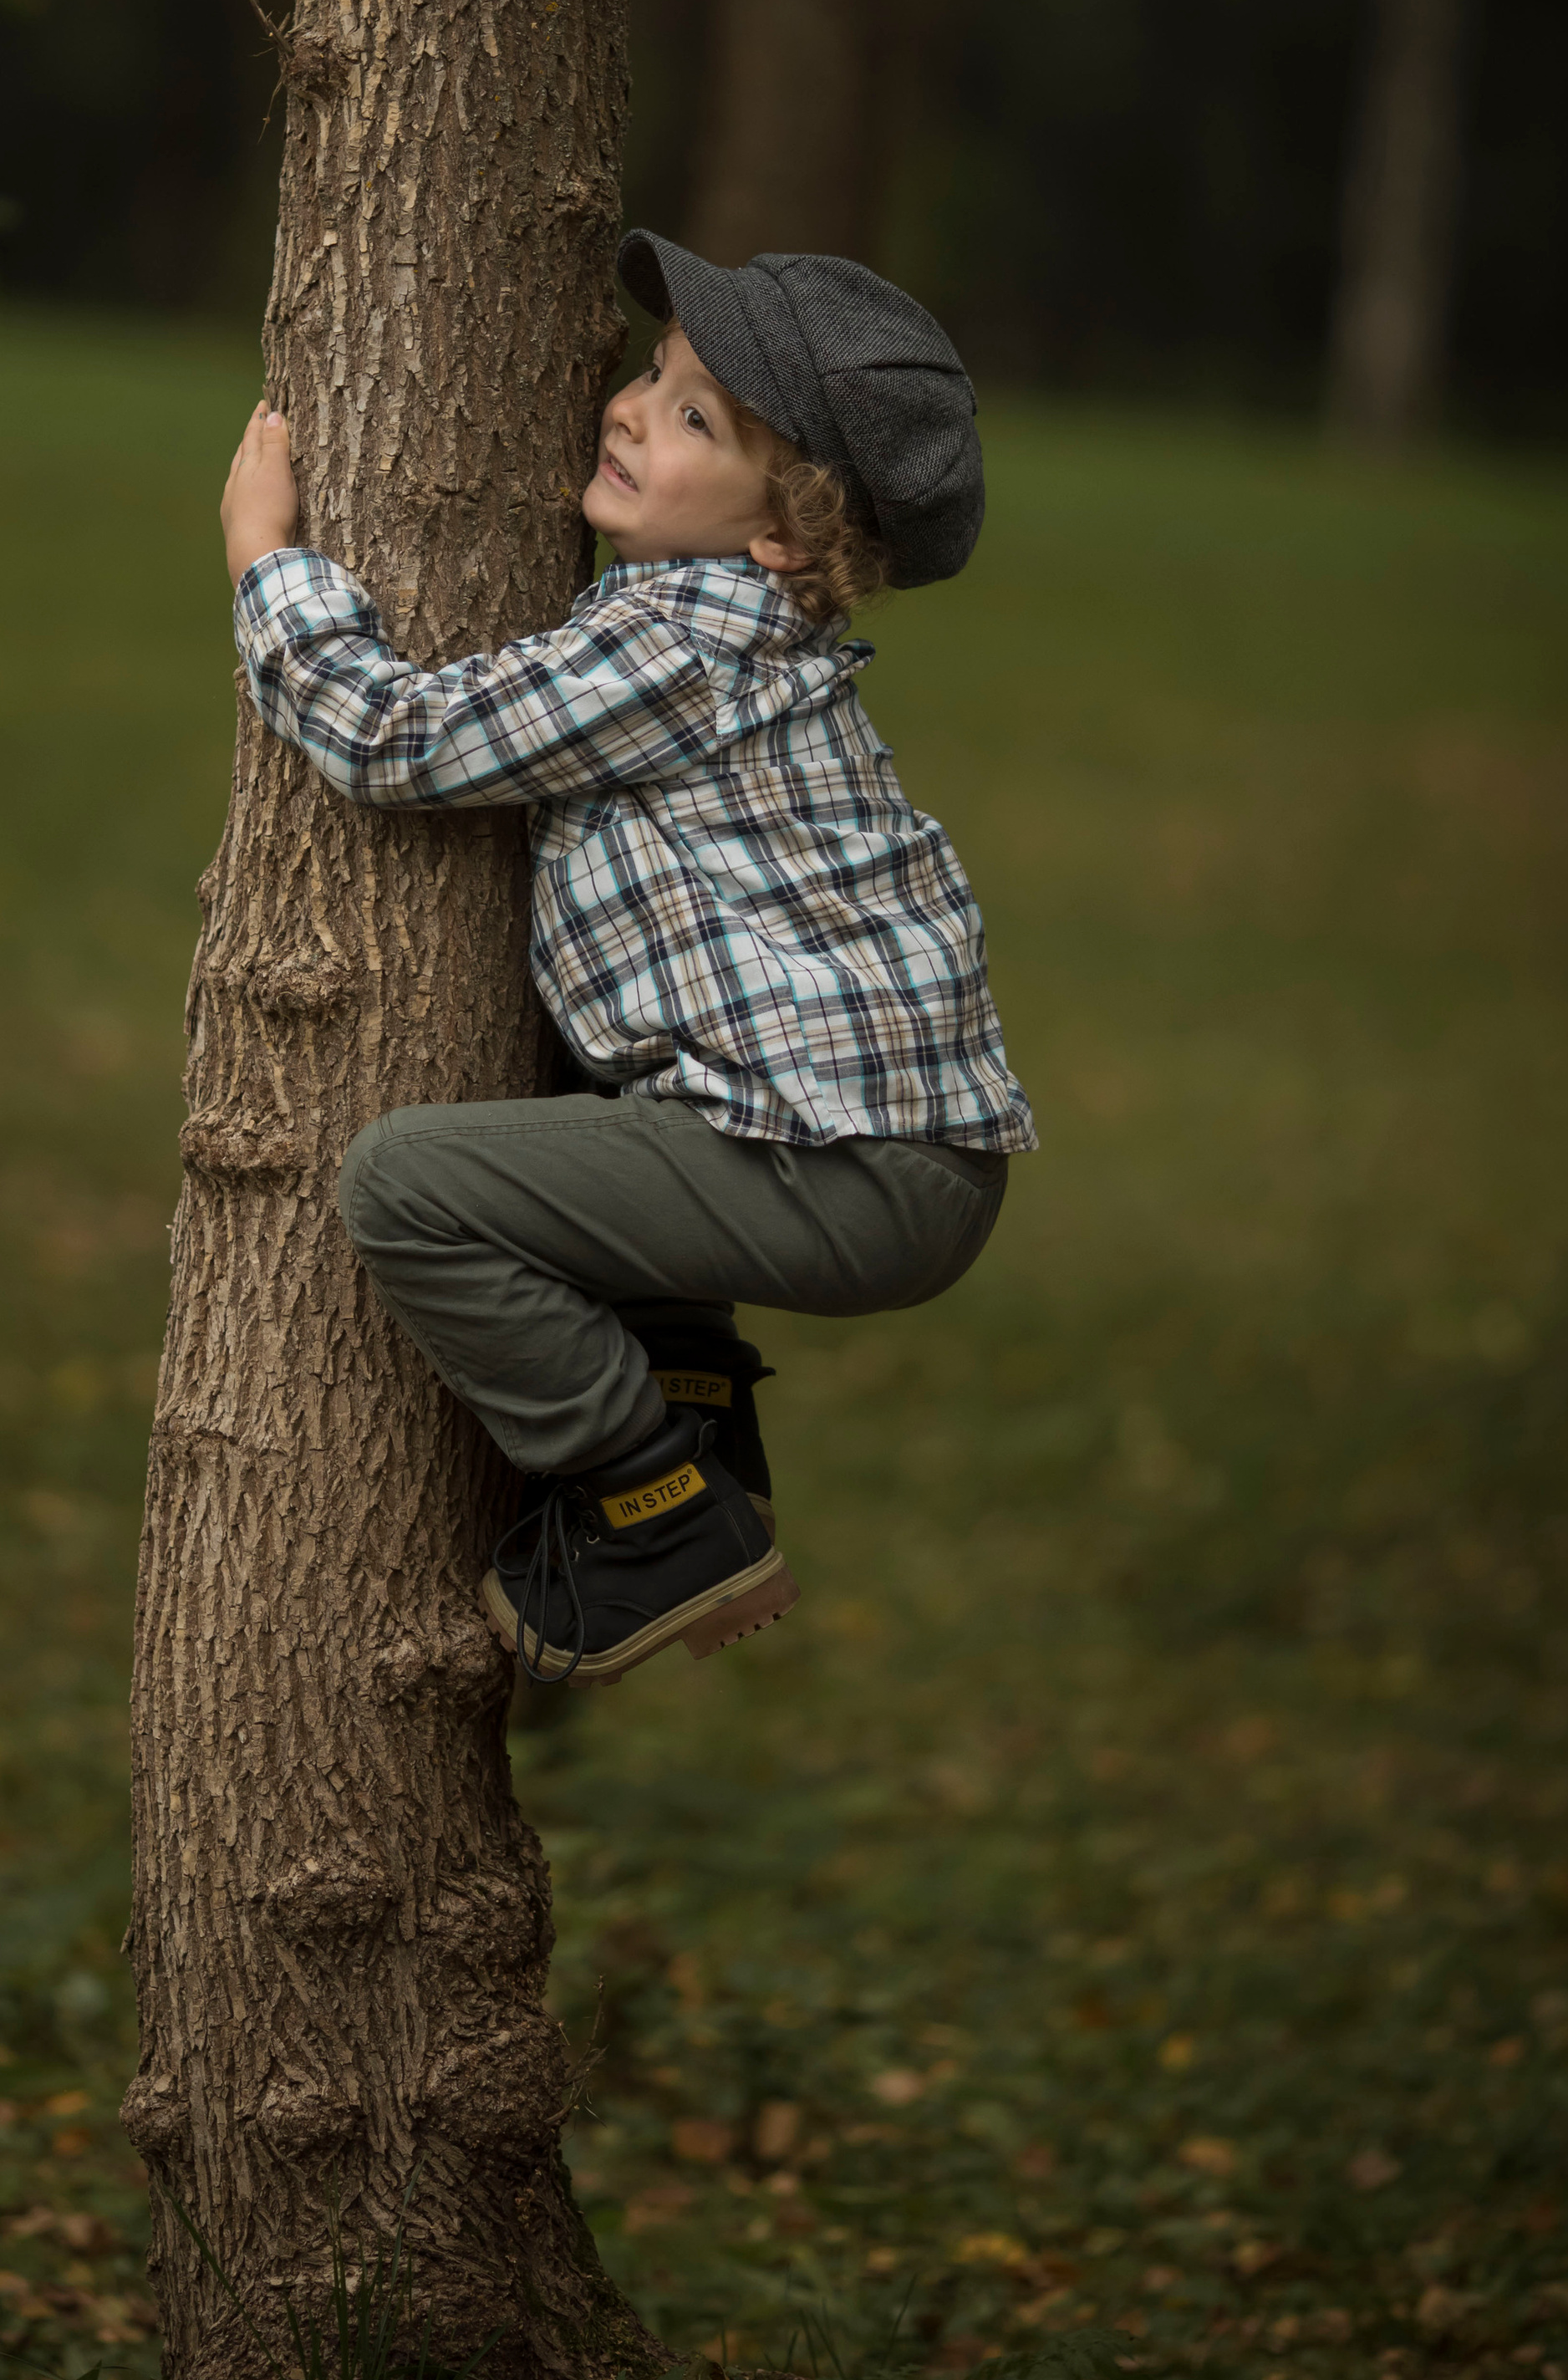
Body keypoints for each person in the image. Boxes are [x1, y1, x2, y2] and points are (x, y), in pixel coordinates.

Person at [218, 228, 1036, 1686]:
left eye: (694, 418)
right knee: (603, 1126)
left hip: (850, 1168)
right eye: (655, 373)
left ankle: (652, 1505)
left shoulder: (677, 644)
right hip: (878, 1156)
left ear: (788, 531)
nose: (630, 407)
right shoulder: (720, 628)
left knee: (411, 1184)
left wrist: (270, 567)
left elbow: (398, 739)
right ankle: (698, 1401)